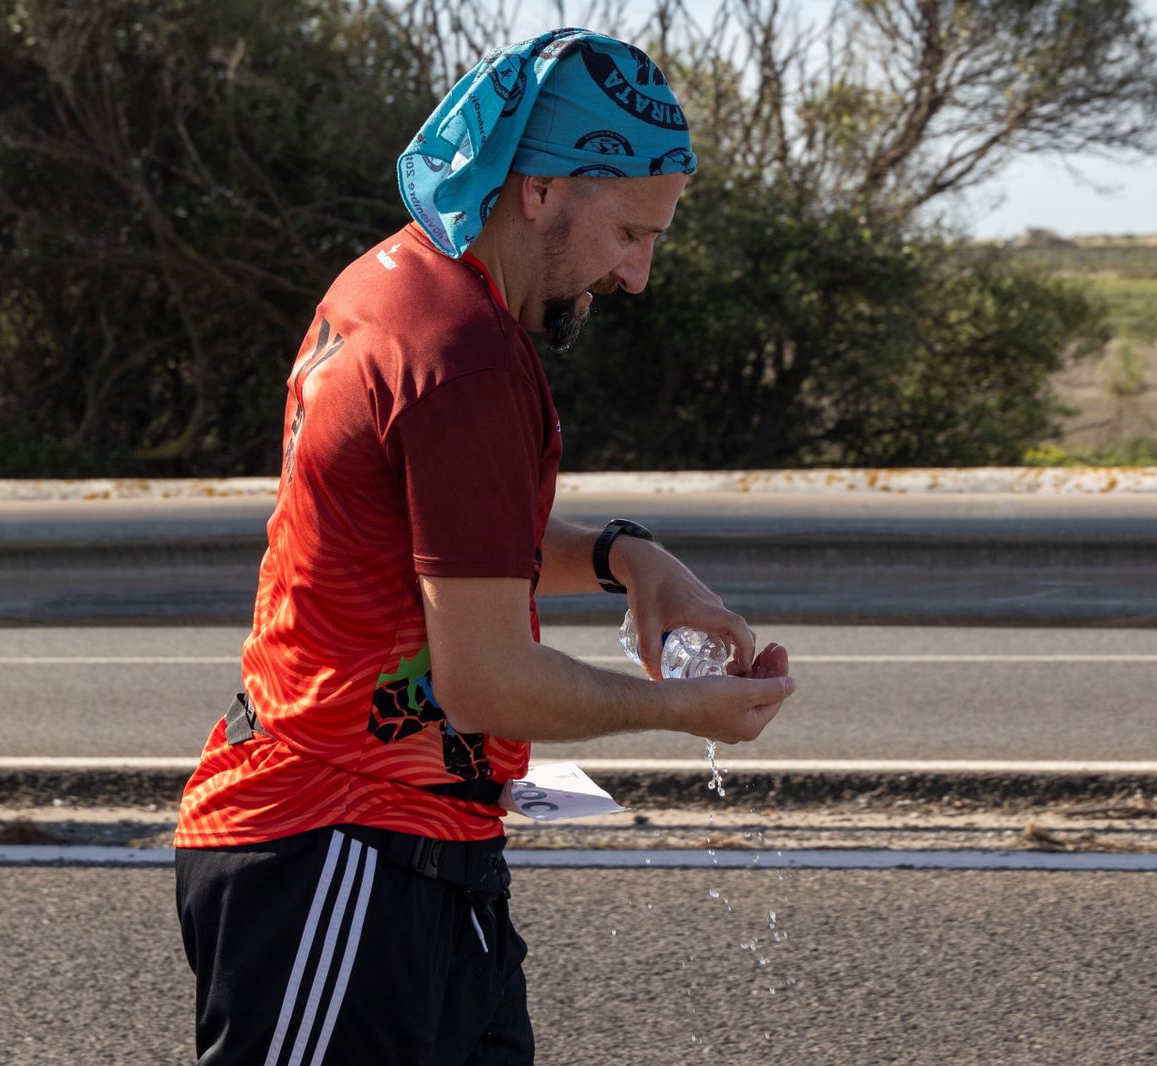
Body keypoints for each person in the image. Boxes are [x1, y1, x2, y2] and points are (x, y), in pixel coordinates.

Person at [173, 27, 794, 1066]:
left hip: (407, 854)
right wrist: (681, 710)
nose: (637, 276)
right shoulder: (463, 362)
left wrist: (625, 558)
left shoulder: (399, 285)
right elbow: (487, 681)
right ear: (541, 189)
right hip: (343, 851)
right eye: (631, 234)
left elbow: (442, 541)